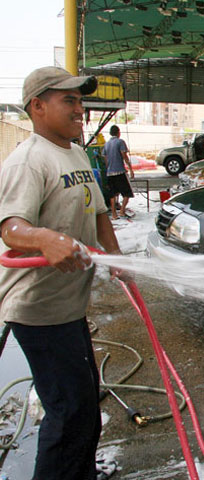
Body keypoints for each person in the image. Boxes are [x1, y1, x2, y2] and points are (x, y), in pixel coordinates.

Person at [0, 66, 127, 480]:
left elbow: (100, 212)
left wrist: (117, 258)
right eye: (69, 100)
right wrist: (44, 239)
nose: (80, 109)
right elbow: (10, 227)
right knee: (69, 411)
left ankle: (81, 474)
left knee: (85, 404)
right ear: (38, 107)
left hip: (68, 307)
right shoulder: (28, 161)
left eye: (80, 100)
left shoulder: (74, 152)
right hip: (39, 310)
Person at [102, 125, 134, 219]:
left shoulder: (106, 144)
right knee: (127, 193)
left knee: (113, 194)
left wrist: (109, 168)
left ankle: (114, 214)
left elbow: (105, 159)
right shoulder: (120, 142)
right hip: (119, 172)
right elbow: (124, 156)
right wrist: (130, 169)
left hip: (109, 173)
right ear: (118, 132)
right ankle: (122, 211)